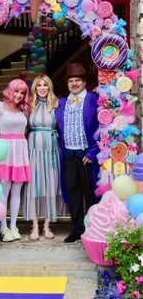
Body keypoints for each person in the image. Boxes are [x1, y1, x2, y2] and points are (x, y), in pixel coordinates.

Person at [0, 79, 30, 242]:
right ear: (10, 91)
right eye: (16, 91)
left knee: (17, 191)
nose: (18, 95)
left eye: (22, 92)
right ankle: (3, 227)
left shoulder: (24, 109)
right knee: (4, 190)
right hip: (4, 152)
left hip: (20, 151)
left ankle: (13, 226)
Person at [55, 63, 99, 243]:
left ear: (84, 82)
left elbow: (101, 128)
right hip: (68, 155)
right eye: (70, 81)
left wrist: (93, 153)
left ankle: (93, 228)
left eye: (77, 80)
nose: (73, 84)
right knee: (72, 193)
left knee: (90, 194)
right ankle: (76, 228)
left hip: (86, 155)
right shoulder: (61, 103)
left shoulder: (94, 100)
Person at [23, 74, 64, 241]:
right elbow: (22, 126)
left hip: (51, 149)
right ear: (34, 88)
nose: (42, 88)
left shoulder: (56, 104)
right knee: (34, 185)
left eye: (45, 85)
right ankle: (34, 226)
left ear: (49, 87)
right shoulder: (29, 105)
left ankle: (47, 226)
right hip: (33, 149)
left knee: (50, 184)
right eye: (39, 85)